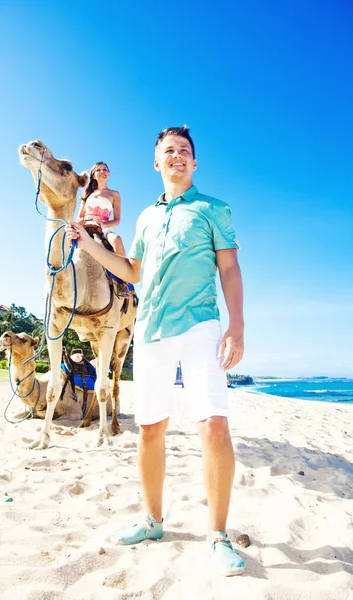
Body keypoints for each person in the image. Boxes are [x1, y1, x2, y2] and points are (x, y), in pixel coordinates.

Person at [65, 126, 245, 577]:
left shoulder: (213, 209)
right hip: (151, 330)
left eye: (185, 151)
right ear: (157, 162)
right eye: (169, 151)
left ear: (195, 163)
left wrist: (236, 326)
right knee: (149, 429)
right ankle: (152, 520)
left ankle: (218, 534)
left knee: (214, 426)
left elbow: (230, 268)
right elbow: (132, 270)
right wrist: (87, 244)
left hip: (201, 324)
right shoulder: (145, 217)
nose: (178, 156)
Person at [77, 161, 126, 257]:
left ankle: (125, 271)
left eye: (104, 170)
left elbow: (117, 220)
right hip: (86, 225)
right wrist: (80, 222)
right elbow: (79, 216)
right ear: (94, 175)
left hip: (104, 228)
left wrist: (103, 224)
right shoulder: (87, 194)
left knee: (117, 240)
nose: (102, 172)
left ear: (109, 174)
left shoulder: (114, 194)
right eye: (98, 170)